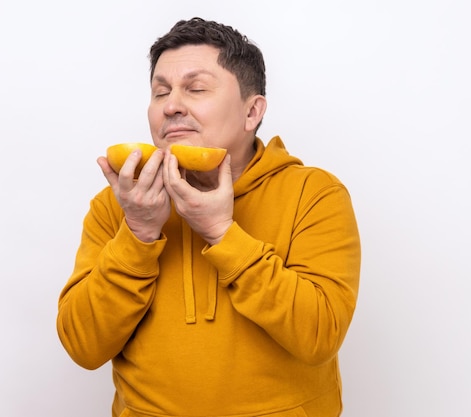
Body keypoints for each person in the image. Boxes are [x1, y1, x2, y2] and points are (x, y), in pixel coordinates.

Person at [57, 17, 361, 417]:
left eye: (196, 88)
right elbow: (83, 346)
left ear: (252, 112)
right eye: (160, 92)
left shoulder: (315, 194)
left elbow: (319, 336)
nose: (171, 106)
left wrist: (222, 233)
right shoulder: (118, 204)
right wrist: (139, 233)